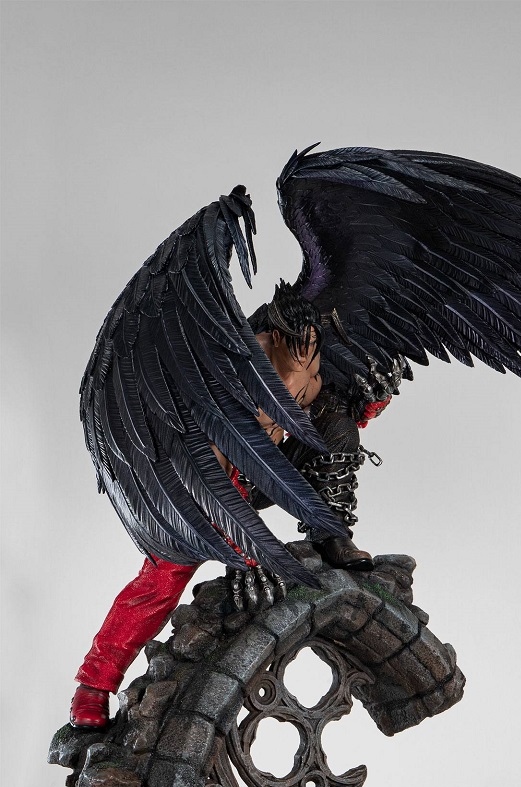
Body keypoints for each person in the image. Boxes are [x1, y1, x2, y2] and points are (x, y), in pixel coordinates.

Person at [69, 292, 387, 730]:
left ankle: (330, 534)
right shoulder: (232, 368)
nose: (306, 359)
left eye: (312, 349)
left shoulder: (310, 351)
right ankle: (93, 686)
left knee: (338, 428)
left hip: (266, 470)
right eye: (298, 345)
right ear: (275, 335)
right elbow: (210, 471)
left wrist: (365, 404)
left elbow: (321, 420)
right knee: (161, 580)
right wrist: (251, 552)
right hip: (199, 487)